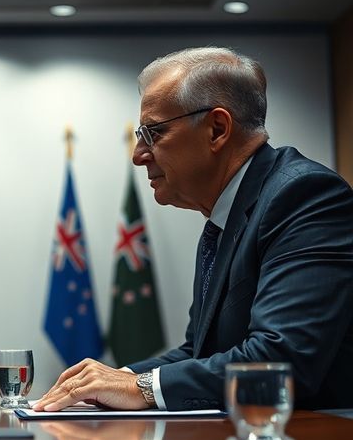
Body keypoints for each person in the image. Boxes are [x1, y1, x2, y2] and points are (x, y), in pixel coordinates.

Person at [36, 47, 353, 412]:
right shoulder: (224, 216)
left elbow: (280, 361)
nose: (138, 154)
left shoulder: (305, 196)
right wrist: (108, 381)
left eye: (153, 133)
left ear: (217, 129)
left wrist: (139, 387)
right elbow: (199, 352)